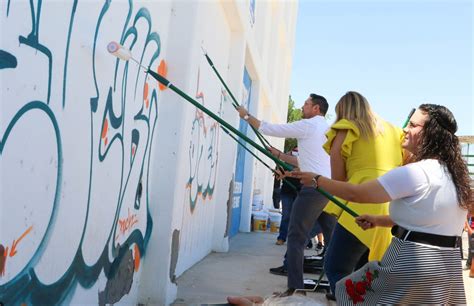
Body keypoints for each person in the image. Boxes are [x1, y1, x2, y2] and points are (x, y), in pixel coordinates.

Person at [291, 104, 472, 304]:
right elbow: (429, 221)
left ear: (431, 133)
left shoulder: (415, 173)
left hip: (410, 264)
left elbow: (356, 193)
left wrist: (317, 180)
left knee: (344, 287)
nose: (405, 129)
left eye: (413, 125)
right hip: (446, 269)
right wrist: (379, 220)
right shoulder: (455, 177)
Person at [237, 94, 336, 296]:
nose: (302, 107)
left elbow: (271, 128)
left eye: (306, 104)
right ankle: (337, 288)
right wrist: (280, 156)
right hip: (329, 188)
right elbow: (308, 162)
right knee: (332, 239)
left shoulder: (308, 125)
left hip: (313, 189)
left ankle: (296, 289)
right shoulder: (325, 129)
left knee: (295, 237)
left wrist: (246, 116)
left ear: (316, 108)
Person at [321, 92, 404, 300]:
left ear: (342, 111)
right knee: (367, 274)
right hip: (390, 207)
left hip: (359, 204)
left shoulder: (345, 128)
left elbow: (338, 180)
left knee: (336, 268)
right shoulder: (395, 131)